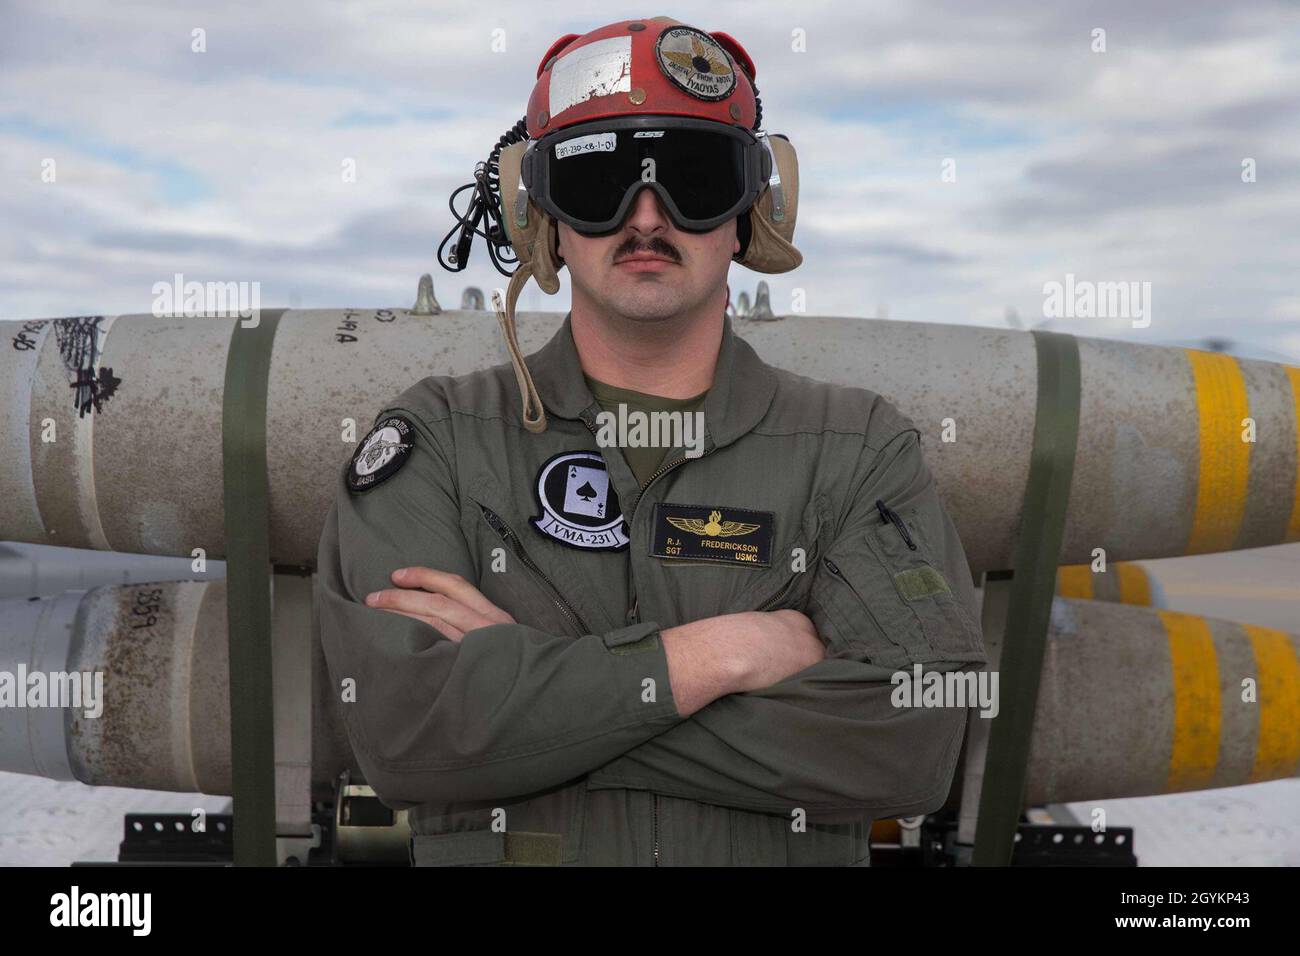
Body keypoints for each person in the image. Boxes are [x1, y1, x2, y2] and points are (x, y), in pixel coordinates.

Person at [316, 15, 987, 866]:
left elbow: (914, 743)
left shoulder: (854, 448)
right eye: (597, 181)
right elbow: (408, 735)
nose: (644, 217)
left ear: (751, 214)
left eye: (693, 177)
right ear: (542, 218)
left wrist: (530, 702)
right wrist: (723, 653)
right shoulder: (440, 442)